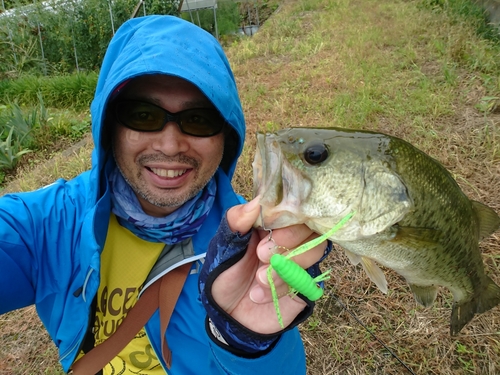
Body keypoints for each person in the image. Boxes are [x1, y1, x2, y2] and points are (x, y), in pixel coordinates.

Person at [0, 15, 329, 374]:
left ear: (226, 136)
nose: (171, 145)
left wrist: (246, 342)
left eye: (200, 119)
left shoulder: (251, 250)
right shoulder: (47, 224)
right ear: (110, 125)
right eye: (143, 115)